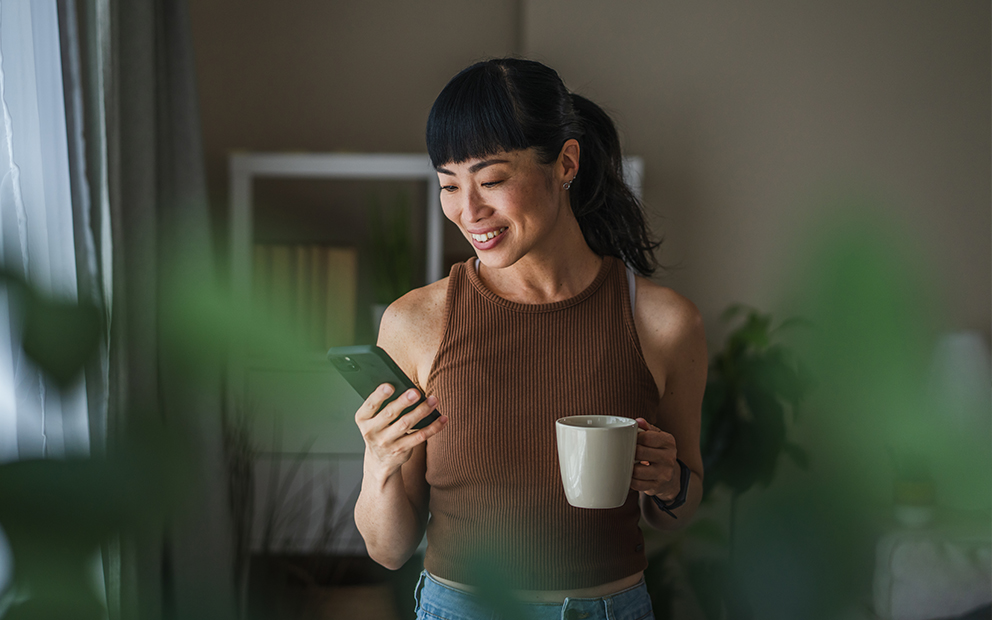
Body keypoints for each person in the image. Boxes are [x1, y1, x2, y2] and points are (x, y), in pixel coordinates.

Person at [353, 58, 707, 620]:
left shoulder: (663, 323)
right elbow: (389, 549)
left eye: (492, 181)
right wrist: (379, 463)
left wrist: (669, 481)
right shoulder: (415, 322)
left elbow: (678, 509)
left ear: (565, 162)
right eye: (449, 185)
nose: (469, 212)